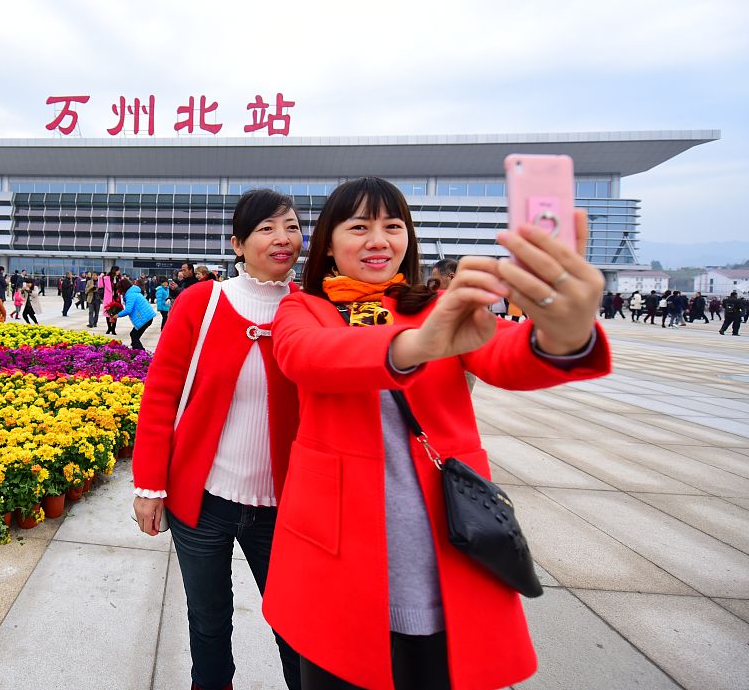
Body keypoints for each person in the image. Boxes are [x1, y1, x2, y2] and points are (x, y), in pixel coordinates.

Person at [262, 177, 610, 690]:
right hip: (336, 545)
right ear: (329, 246)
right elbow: (307, 359)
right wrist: (417, 345)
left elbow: (504, 354)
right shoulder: (303, 308)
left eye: (393, 226)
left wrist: (565, 331)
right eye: (359, 227)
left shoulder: (432, 307)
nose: (379, 240)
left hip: (434, 541)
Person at [133, 189, 306, 690]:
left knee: (297, 630)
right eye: (267, 228)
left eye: (292, 227)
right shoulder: (201, 303)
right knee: (209, 626)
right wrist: (149, 486)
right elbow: (161, 395)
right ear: (238, 243)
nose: (283, 238)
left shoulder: (312, 311)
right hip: (203, 502)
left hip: (284, 508)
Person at [115, 277, 156, 350]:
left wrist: (117, 315)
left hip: (144, 318)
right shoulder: (132, 292)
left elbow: (128, 310)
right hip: (147, 317)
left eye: (119, 289)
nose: (118, 291)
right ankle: (136, 351)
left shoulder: (130, 294)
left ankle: (142, 354)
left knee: (134, 336)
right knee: (134, 336)